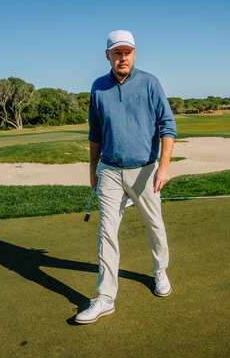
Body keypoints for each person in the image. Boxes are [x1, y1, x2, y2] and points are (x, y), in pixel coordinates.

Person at [75, 30, 176, 324]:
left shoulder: (150, 83)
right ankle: (105, 298)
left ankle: (160, 272)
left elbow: (167, 126)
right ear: (107, 55)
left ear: (134, 54)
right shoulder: (98, 88)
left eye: (127, 52)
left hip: (145, 169)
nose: (123, 57)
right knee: (107, 232)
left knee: (154, 225)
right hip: (109, 170)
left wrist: (164, 166)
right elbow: (95, 133)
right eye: (117, 53)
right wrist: (93, 170)